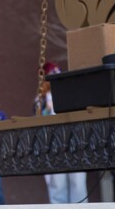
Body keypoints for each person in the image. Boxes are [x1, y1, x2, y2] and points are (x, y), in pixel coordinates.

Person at [37, 62, 87, 204]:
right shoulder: (40, 99)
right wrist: (46, 108)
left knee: (77, 181)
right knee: (58, 184)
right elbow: (38, 120)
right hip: (53, 144)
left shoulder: (71, 94)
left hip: (74, 141)